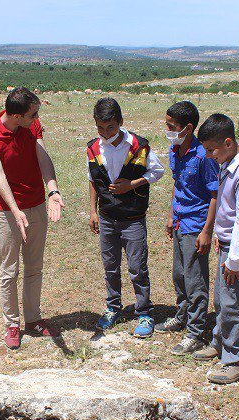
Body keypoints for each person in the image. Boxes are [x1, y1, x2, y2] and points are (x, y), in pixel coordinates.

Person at [0, 87, 66, 349]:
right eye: (32, 114)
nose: (37, 118)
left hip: (37, 206)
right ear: (16, 116)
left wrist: (53, 191)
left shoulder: (32, 126)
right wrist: (15, 210)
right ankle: (12, 324)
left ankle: (33, 319)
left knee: (34, 266)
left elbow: (43, 158)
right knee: (9, 270)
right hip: (7, 212)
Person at [193, 113, 239, 384]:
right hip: (228, 247)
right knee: (222, 299)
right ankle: (220, 342)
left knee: (233, 302)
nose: (209, 155)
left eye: (211, 149)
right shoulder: (228, 162)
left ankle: (236, 359)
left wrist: (234, 261)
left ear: (228, 142)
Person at [87, 97, 164, 338]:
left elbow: (157, 171)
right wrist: (92, 211)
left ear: (121, 122)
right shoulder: (93, 148)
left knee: (136, 267)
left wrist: (131, 184)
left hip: (133, 218)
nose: (105, 133)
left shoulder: (139, 146)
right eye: (100, 127)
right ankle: (113, 308)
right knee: (110, 266)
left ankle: (144, 312)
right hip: (107, 217)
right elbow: (92, 179)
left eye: (110, 127)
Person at [154, 101, 219, 357]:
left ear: (188, 128)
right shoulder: (175, 150)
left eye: (172, 127)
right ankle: (181, 316)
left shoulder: (204, 156)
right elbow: (178, 185)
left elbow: (215, 194)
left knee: (195, 281)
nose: (167, 130)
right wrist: (171, 215)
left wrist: (206, 231)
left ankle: (196, 331)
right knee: (179, 275)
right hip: (180, 221)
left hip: (196, 225)